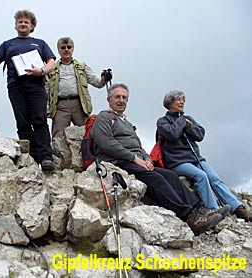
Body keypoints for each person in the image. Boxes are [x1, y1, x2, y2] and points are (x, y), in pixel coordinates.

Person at [91, 83, 228, 235]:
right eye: (117, 97)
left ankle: (200, 210)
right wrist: (134, 158)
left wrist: (147, 160)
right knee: (155, 178)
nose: (121, 100)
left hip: (134, 160)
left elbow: (138, 146)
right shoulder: (104, 117)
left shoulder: (127, 123)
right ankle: (189, 216)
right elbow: (106, 143)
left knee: (170, 175)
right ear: (109, 99)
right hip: (118, 161)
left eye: (124, 98)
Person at [156, 90, 252, 221]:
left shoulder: (188, 119)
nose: (182, 102)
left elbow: (200, 134)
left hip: (196, 158)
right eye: (178, 99)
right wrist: (182, 121)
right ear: (170, 102)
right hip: (177, 161)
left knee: (215, 178)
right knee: (201, 176)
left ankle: (239, 208)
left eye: (183, 99)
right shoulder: (162, 121)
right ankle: (213, 210)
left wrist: (187, 125)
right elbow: (172, 134)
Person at [0, 10, 56, 170]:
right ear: (16, 25)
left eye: (26, 22)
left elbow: (51, 62)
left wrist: (42, 71)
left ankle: (46, 157)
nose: (23, 24)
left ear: (32, 26)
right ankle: (30, 158)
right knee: (22, 122)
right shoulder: (8, 44)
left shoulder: (40, 43)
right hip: (15, 86)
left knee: (39, 120)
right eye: (20, 22)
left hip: (36, 85)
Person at [46, 37, 110, 138]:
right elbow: (46, 88)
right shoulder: (52, 68)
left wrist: (104, 78)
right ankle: (57, 154)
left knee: (86, 132)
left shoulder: (81, 66)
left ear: (73, 49)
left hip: (80, 104)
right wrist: (46, 105)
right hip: (60, 105)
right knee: (58, 135)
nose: (66, 49)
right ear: (58, 50)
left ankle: (87, 153)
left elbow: (97, 82)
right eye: (63, 47)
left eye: (69, 47)